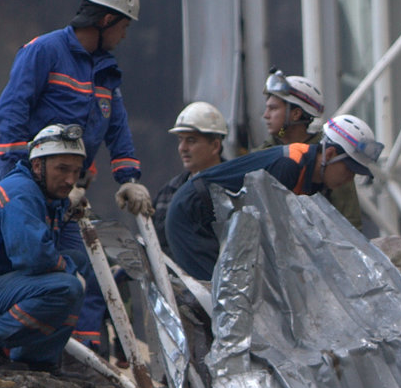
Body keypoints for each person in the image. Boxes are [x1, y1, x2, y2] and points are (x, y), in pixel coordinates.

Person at [0, 0, 149, 218]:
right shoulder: (44, 51)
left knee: (74, 255)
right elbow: (11, 112)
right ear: (107, 20)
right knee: (25, 251)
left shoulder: (105, 70)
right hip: (23, 184)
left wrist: (129, 179)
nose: (124, 36)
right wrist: (27, 179)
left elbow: (117, 127)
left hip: (67, 187)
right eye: (123, 27)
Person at [0, 124, 96, 372]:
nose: (70, 180)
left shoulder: (45, 196)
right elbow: (34, 258)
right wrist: (70, 268)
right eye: (62, 169)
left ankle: (36, 361)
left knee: (76, 272)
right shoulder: (21, 193)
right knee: (66, 285)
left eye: (76, 172)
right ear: (37, 166)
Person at [164, 113, 384, 281]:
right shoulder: (289, 167)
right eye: (348, 170)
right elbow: (269, 235)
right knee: (220, 290)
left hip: (215, 217)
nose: (349, 179)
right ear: (330, 154)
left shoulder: (313, 178)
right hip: (191, 214)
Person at [261, 69, 362, 229]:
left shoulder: (329, 158)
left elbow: (350, 222)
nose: (266, 115)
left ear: (295, 114)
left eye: (273, 108)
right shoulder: (264, 152)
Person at [151, 101, 228, 232]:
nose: (183, 148)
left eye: (191, 140)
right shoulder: (169, 192)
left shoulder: (234, 188)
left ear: (215, 146)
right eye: (180, 140)